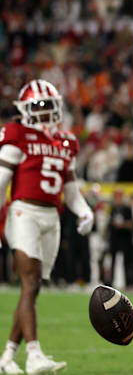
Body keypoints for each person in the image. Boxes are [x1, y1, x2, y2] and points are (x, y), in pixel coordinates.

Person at [0, 80, 94, 374]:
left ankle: (6, 356)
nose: (44, 113)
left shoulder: (65, 142)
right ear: (25, 111)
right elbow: (0, 183)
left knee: (34, 287)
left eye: (48, 107)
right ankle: (34, 354)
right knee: (30, 282)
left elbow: (71, 191)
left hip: (51, 216)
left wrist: (84, 211)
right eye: (38, 107)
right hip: (23, 212)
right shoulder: (17, 136)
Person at [107, 189, 133, 288]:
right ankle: (110, 283)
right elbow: (109, 224)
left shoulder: (127, 208)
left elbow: (132, 224)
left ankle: (129, 283)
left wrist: (122, 225)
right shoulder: (113, 209)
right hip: (115, 239)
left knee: (127, 262)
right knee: (112, 262)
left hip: (125, 239)